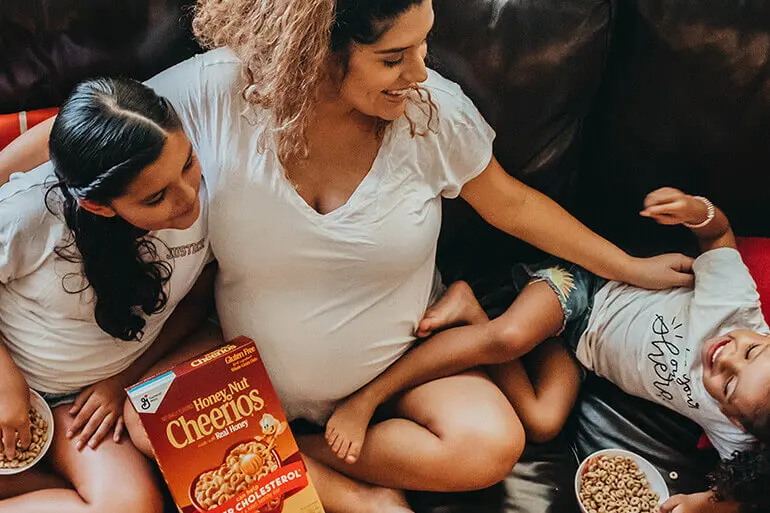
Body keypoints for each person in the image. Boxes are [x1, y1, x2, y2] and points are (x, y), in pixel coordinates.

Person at [0, 1, 697, 511]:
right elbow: (76, 139)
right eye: (394, 58)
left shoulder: (430, 114)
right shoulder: (217, 93)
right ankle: (345, 494)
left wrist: (628, 266)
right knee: (153, 430)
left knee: (491, 446)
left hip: (392, 361)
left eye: (425, 45)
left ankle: (287, 455)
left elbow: (513, 204)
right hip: (246, 365)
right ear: (314, 54)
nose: (419, 73)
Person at [324, 186, 766, 513]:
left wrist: (699, 504)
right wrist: (698, 212)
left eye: (726, 385)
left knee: (542, 423)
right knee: (509, 338)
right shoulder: (735, 307)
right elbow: (720, 234)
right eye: (751, 353)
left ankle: (471, 308)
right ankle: (371, 396)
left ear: (732, 418)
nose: (723, 355)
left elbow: (746, 494)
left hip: (580, 352)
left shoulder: (741, 435)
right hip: (586, 285)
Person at [0, 77, 217, 513]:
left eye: (189, 163)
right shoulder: (26, 216)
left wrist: (123, 381)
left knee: (132, 504)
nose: (189, 198)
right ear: (98, 206)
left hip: (80, 406)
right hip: (13, 379)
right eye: (156, 197)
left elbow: (197, 302)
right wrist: (5, 384)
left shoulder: (203, 175)